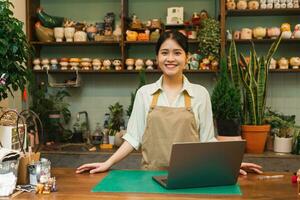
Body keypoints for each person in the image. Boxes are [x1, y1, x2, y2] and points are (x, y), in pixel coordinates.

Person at [76, 30, 262, 175]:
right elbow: (133, 138)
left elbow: (207, 140)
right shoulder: (145, 93)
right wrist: (107, 163)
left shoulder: (200, 94)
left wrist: (229, 163)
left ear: (186, 58)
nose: (170, 58)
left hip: (192, 177)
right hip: (150, 178)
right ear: (157, 58)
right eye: (164, 52)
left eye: (177, 53)